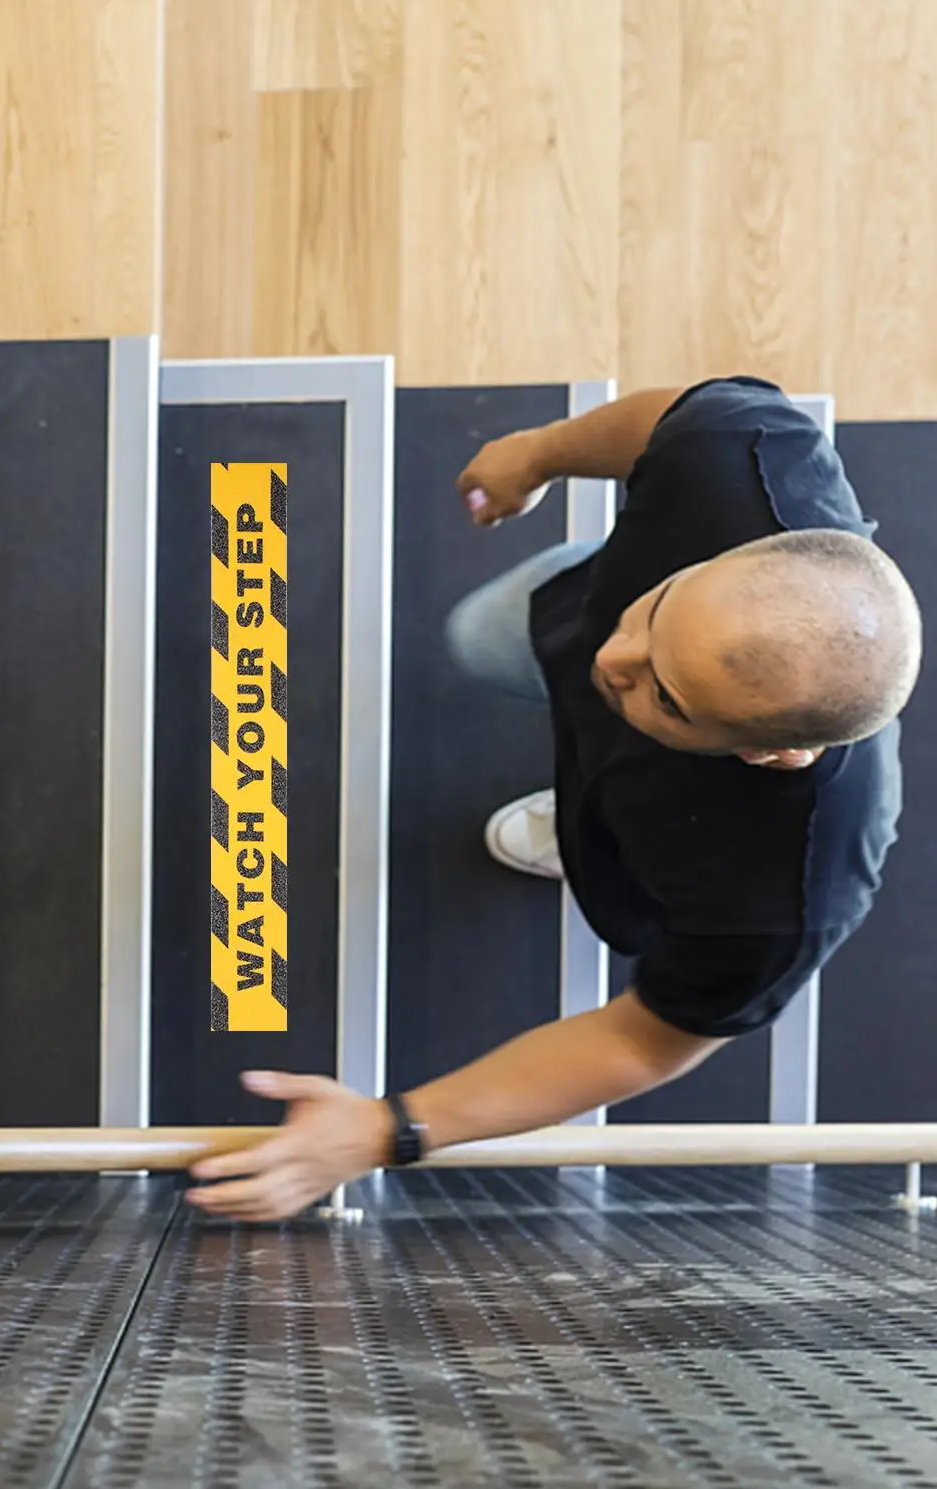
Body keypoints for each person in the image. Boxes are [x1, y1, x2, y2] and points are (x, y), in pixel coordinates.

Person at [188, 377, 921, 1224]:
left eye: (667, 695)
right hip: (569, 616)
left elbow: (644, 1039)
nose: (617, 660)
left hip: (691, 836)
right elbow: (668, 420)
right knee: (480, 636)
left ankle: (585, 834)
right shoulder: (746, 456)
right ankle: (597, 790)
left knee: (622, 847)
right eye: (659, 611)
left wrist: (386, 1130)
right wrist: (536, 452)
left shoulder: (779, 897)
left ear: (771, 750)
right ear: (725, 558)